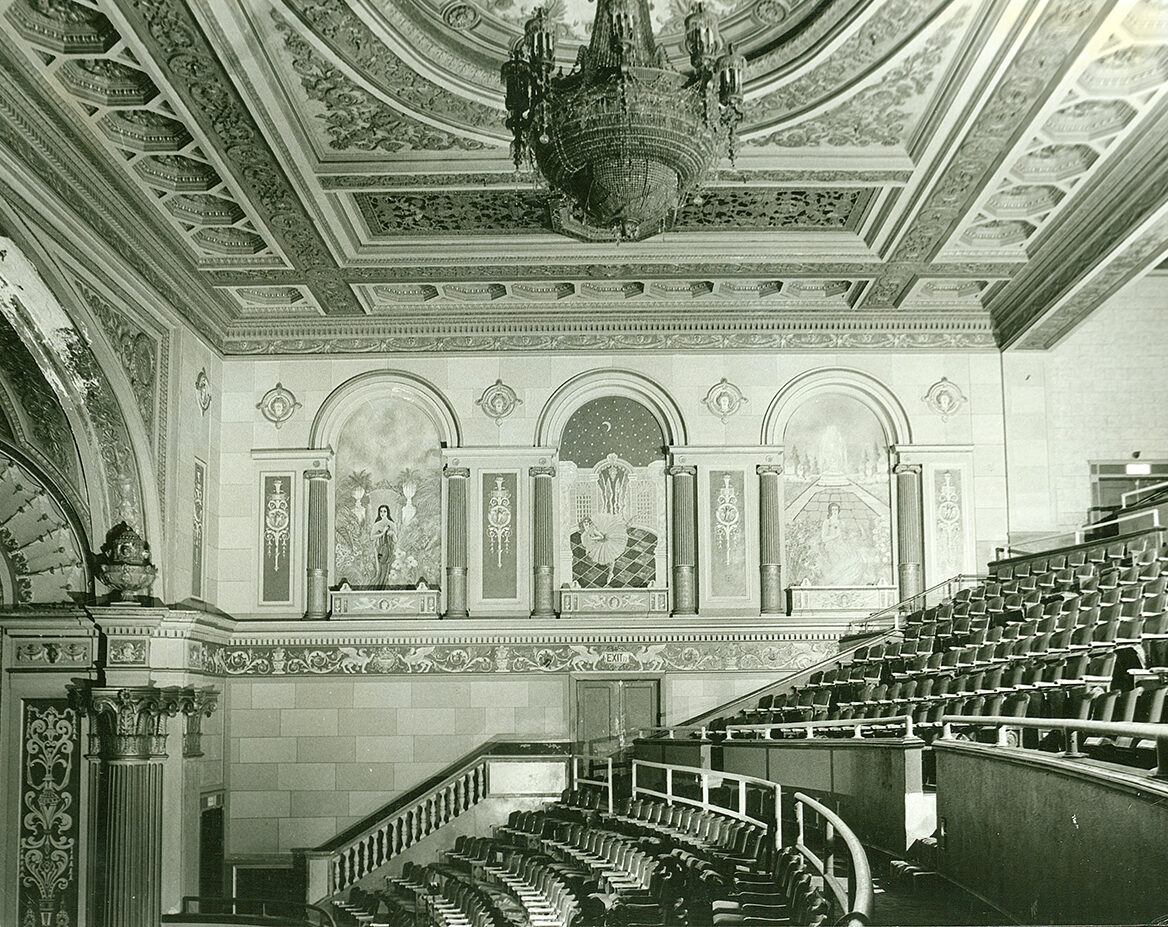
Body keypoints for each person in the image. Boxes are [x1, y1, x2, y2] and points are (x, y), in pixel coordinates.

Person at [371, 504, 396, 587]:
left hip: (389, 549)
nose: (382, 513)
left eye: (384, 511)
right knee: (379, 571)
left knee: (387, 570)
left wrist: (392, 534)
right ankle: (377, 587)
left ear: (387, 512)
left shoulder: (392, 524)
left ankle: (384, 586)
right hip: (379, 549)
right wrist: (382, 533)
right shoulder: (376, 524)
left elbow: (395, 540)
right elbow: (372, 537)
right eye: (381, 511)